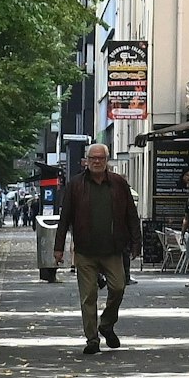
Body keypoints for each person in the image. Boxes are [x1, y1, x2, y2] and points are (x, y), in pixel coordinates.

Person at [53, 143, 141, 355]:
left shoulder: (119, 184)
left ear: (107, 160)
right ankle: (92, 339)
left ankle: (107, 323)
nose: (97, 162)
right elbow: (65, 218)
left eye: (101, 158)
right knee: (88, 295)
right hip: (85, 250)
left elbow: (131, 214)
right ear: (86, 160)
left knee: (118, 287)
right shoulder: (76, 185)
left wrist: (136, 242)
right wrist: (58, 248)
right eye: (93, 158)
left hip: (113, 249)